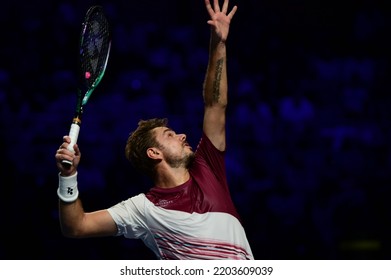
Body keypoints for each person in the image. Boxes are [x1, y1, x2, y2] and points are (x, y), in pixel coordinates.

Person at [55, 0, 254, 260]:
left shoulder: (209, 170)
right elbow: (76, 226)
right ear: (153, 153)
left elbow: (215, 104)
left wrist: (219, 43)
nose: (183, 135)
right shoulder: (143, 209)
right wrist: (68, 176)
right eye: (170, 135)